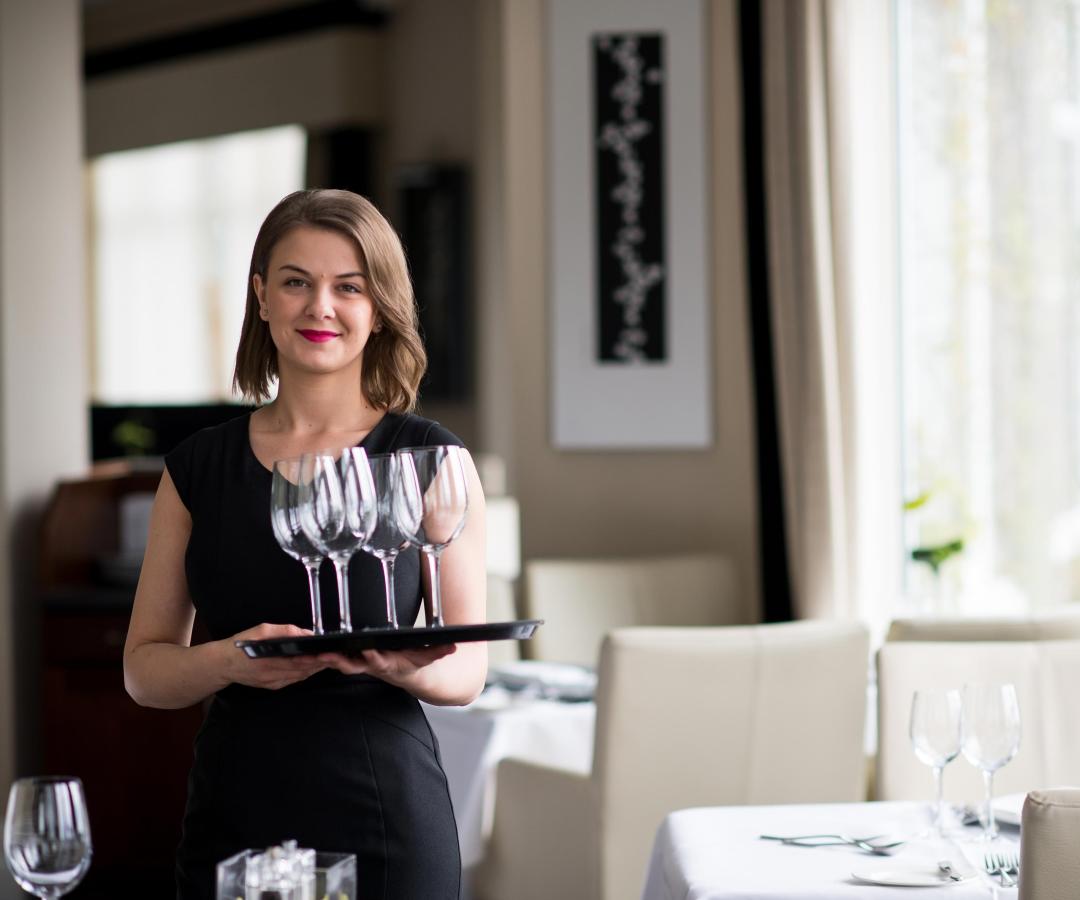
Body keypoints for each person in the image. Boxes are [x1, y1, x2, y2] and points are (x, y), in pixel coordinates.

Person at [122, 189, 487, 900]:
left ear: (378, 307)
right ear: (261, 297)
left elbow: (467, 673)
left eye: (348, 287)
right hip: (237, 802)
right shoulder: (197, 467)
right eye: (297, 282)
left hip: (384, 801)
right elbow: (144, 671)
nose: (321, 306)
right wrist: (231, 661)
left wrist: (396, 663)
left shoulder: (430, 460)